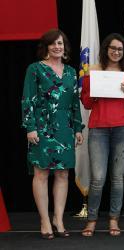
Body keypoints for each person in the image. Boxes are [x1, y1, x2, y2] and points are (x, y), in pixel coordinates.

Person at [21, 29, 84, 239]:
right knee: (41, 173)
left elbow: (75, 102)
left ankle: (58, 219)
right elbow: (27, 99)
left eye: (61, 44)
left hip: (65, 128)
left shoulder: (71, 72)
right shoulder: (35, 69)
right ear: (46, 47)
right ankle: (45, 220)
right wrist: (30, 127)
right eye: (54, 43)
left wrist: (77, 128)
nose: (58, 47)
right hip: (41, 127)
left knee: (63, 174)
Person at [80, 33, 124, 237]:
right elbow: (86, 102)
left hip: (123, 128)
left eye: (120, 49)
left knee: (117, 178)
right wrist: (93, 94)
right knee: (97, 178)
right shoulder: (93, 71)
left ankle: (114, 220)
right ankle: (92, 220)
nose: (116, 52)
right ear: (106, 49)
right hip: (98, 128)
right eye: (112, 48)